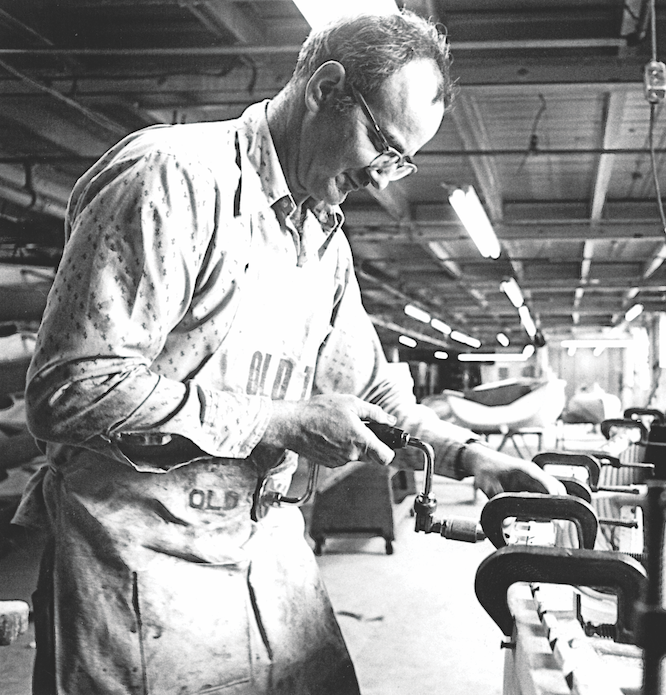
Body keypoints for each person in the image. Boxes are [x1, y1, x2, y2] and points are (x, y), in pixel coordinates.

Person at [14, 10, 563, 695]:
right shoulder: (175, 179)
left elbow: (373, 392)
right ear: (325, 88)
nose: (385, 180)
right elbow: (70, 388)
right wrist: (279, 421)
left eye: (403, 161)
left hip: (263, 551)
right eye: (383, 145)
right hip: (138, 563)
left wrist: (470, 456)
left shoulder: (322, 243)